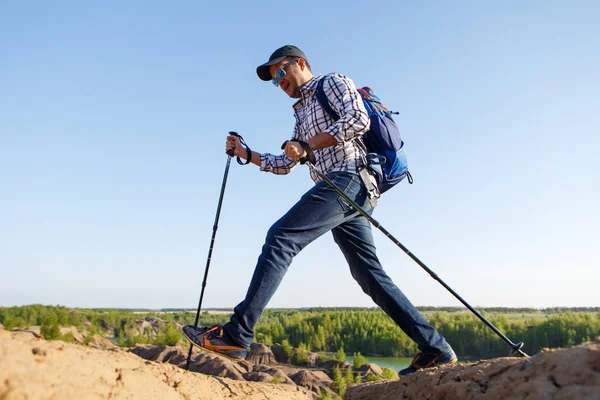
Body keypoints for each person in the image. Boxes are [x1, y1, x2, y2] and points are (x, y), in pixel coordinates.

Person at [183, 45, 457, 375]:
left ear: (300, 63)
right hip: (343, 191)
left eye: (281, 72)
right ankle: (436, 348)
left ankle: (236, 334)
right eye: (274, 81)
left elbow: (358, 120)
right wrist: (247, 152)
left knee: (281, 238)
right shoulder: (301, 112)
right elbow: (286, 163)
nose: (279, 82)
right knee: (369, 276)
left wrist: (308, 146)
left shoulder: (333, 83)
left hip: (350, 179)